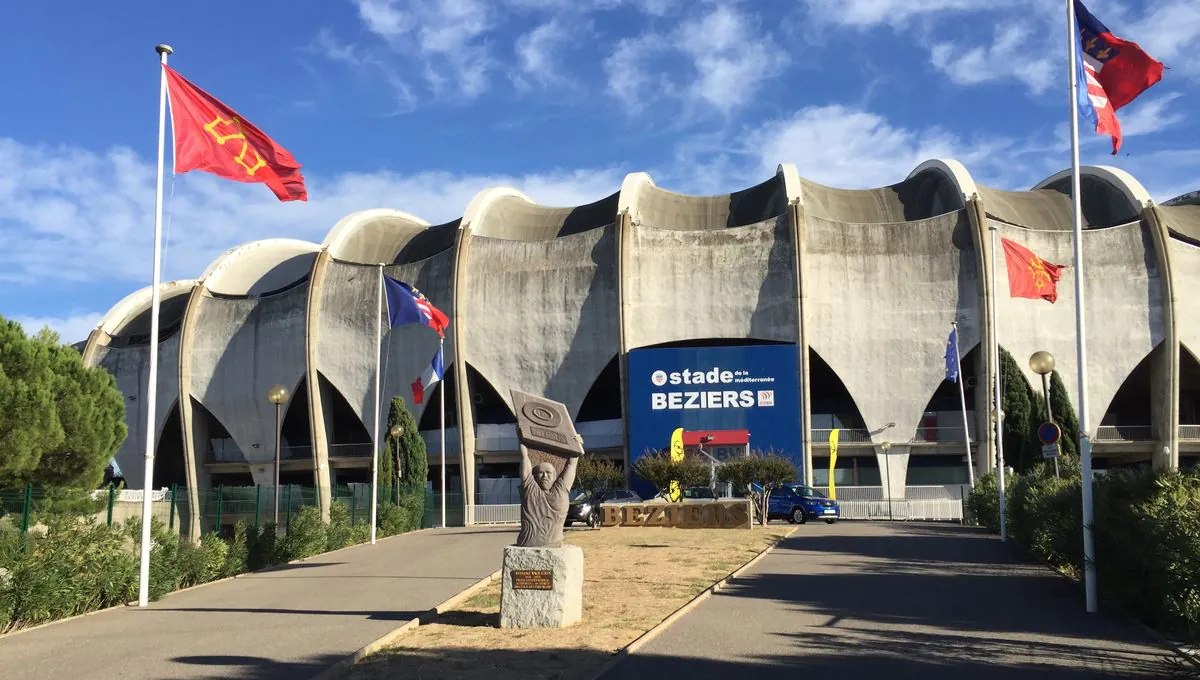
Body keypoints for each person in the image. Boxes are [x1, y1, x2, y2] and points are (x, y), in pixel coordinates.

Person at [516, 442, 579, 548]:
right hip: (529, 542)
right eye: (541, 473)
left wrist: (576, 445)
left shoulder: (560, 492)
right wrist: (522, 438)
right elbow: (524, 458)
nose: (544, 476)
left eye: (548, 473)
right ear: (535, 476)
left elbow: (571, 465)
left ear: (555, 476)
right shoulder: (531, 491)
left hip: (554, 541)